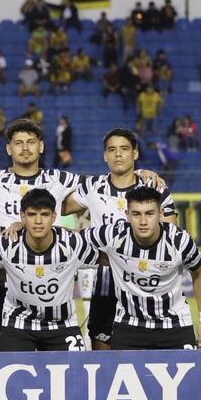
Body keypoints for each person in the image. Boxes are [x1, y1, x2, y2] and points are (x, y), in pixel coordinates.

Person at [61, 128, 174, 350]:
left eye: (124, 149)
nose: (118, 155)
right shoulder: (92, 187)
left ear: (135, 153)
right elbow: (56, 208)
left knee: (148, 353)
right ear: (105, 156)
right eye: (112, 150)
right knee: (102, 349)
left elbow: (171, 232)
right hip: (106, 282)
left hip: (146, 280)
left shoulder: (154, 186)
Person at [0, 119, 83, 350]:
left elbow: (102, 189)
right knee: (4, 363)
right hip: (4, 285)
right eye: (18, 143)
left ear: (42, 146)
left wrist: (142, 173)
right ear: (8, 148)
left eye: (31, 142)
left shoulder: (60, 180)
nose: (25, 148)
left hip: (51, 284)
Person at [84, 187, 201, 350]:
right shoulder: (113, 235)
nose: (143, 221)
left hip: (175, 325)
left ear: (161, 214)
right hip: (128, 326)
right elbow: (72, 240)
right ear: (127, 215)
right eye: (136, 214)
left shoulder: (179, 241)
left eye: (149, 213)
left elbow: (200, 273)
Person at [0, 189, 97, 351]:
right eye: (32, 215)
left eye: (44, 214)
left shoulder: (73, 243)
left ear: (54, 217)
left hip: (62, 324)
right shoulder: (5, 244)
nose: (38, 221)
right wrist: (12, 276)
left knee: (74, 375)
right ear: (22, 216)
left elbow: (106, 259)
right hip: (19, 323)